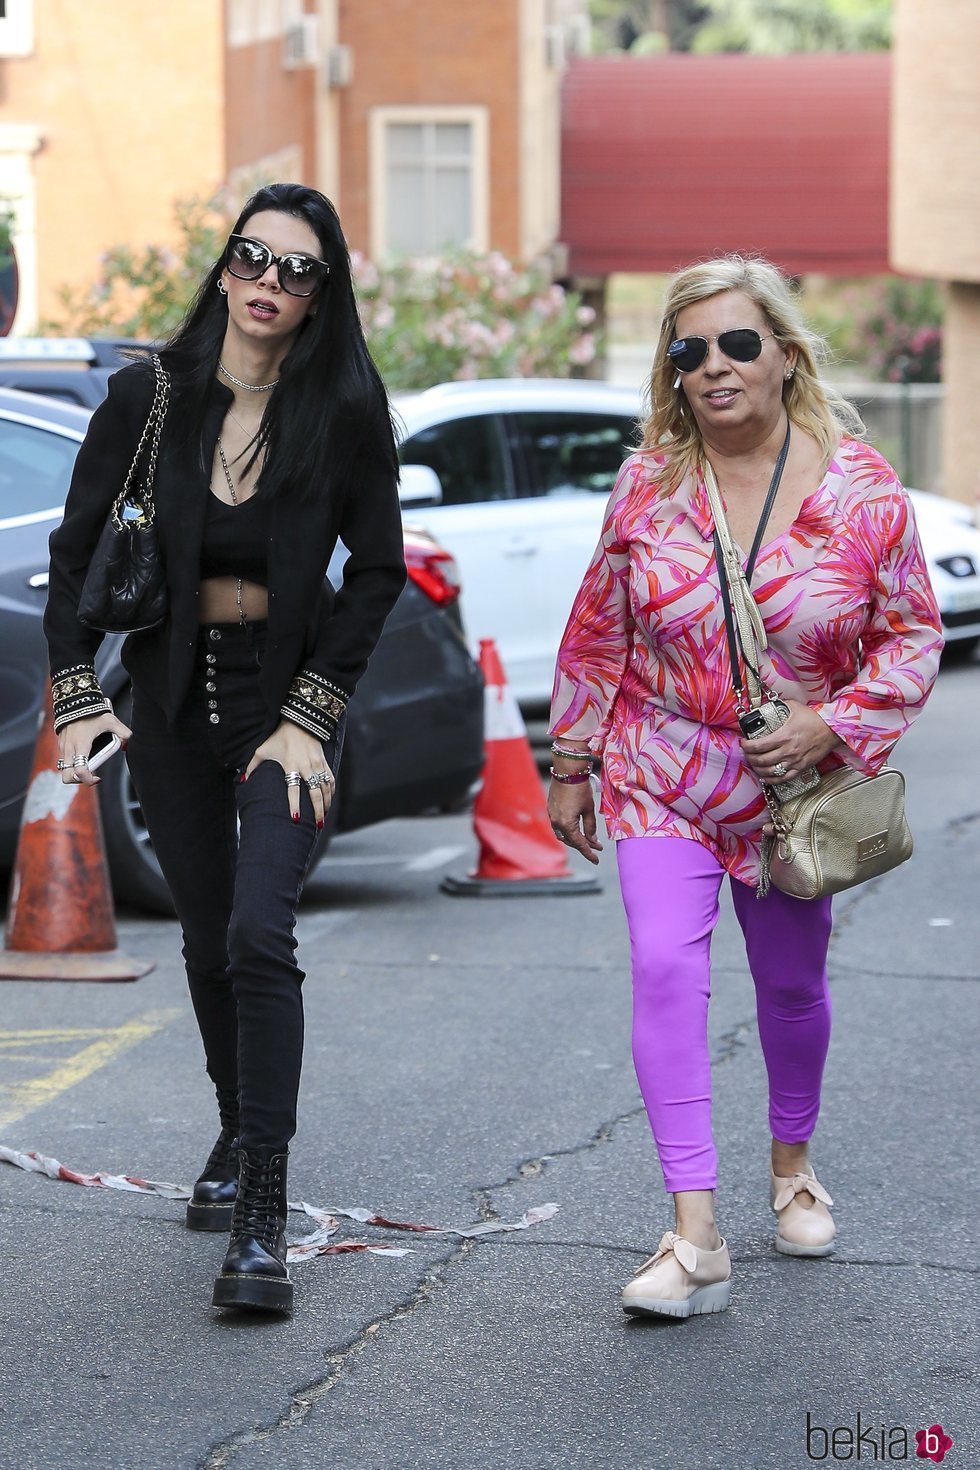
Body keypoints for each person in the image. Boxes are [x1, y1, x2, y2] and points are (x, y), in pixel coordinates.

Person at [547, 255, 943, 1321]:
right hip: (660, 769)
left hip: (792, 796)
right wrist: (572, 757)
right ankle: (693, 1233)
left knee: (789, 990)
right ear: (670, 374)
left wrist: (834, 722)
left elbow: (910, 636)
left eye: (734, 344)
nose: (713, 368)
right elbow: (598, 630)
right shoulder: (647, 485)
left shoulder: (861, 490)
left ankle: (791, 1169)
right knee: (662, 975)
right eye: (688, 351)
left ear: (781, 354)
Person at [44, 183, 406, 1316]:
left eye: (296, 270)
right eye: (252, 258)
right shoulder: (150, 396)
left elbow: (379, 569)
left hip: (278, 712)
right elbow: (71, 556)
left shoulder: (342, 407)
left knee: (259, 934)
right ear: (225, 268)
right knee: (207, 941)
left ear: (320, 294)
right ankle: (231, 1126)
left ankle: (261, 1211)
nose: (268, 283)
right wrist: (74, 698)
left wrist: (312, 711)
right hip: (169, 708)